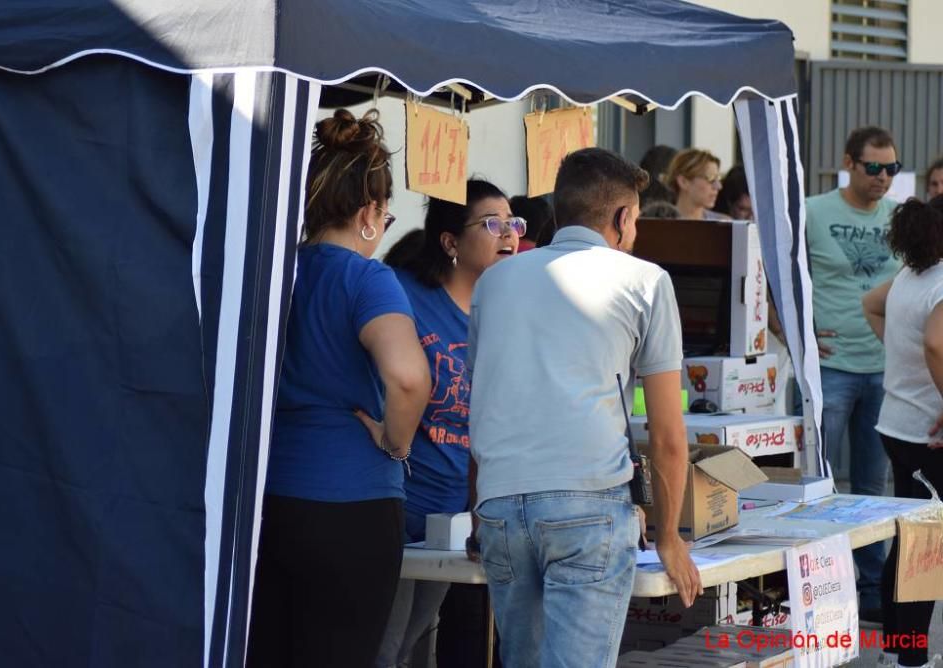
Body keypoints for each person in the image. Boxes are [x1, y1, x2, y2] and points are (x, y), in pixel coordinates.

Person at [467, 147, 702, 667]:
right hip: (587, 504)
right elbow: (666, 432)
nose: (635, 233)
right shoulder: (645, 280)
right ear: (621, 218)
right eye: (635, 220)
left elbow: (479, 401)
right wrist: (668, 537)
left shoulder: (495, 281)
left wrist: (478, 513)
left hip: (501, 505)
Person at [247, 109, 431, 668]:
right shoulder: (366, 278)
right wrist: (396, 443)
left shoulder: (271, 269)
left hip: (266, 496)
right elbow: (408, 376)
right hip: (351, 503)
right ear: (370, 212)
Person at [376, 180, 522, 668]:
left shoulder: (503, 311)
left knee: (416, 642)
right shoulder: (404, 295)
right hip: (397, 505)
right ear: (449, 241)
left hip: (452, 518)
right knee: (385, 650)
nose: (509, 234)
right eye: (491, 223)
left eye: (512, 223)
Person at [805, 125, 902, 623]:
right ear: (848, 162)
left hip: (883, 367)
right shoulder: (813, 211)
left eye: (891, 168)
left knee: (871, 485)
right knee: (817, 481)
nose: (883, 177)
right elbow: (775, 276)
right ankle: (816, 585)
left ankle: (869, 587)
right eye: (873, 167)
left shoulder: (899, 218)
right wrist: (791, 335)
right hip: (830, 365)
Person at [862, 196, 943, 668]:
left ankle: (898, 653)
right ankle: (910, 660)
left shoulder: (913, 277)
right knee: (925, 549)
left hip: (897, 424)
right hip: (924, 432)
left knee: (909, 539)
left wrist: (901, 352)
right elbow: (935, 342)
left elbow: (869, 304)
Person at [664, 148, 730, 221]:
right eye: (711, 179)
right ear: (683, 182)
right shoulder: (660, 224)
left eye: (718, 179)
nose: (718, 186)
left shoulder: (724, 224)